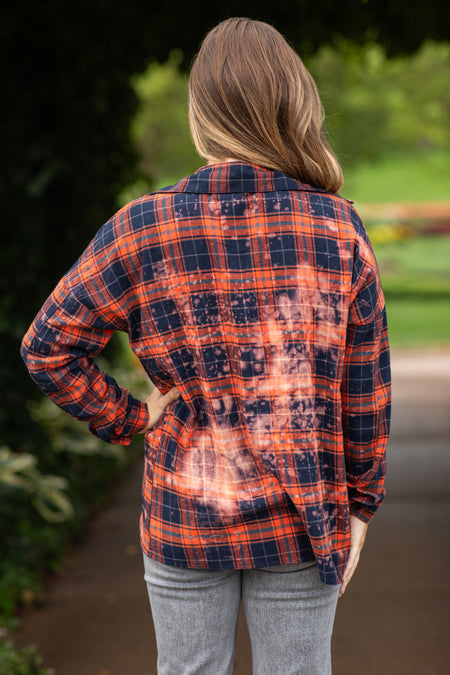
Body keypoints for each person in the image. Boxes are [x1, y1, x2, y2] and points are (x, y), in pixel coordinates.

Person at [21, 17, 391, 675]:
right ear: (293, 105)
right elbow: (364, 387)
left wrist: (130, 415)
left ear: (201, 116)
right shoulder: (337, 228)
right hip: (303, 516)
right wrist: (360, 504)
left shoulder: (141, 228)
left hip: (185, 513)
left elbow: (48, 346)